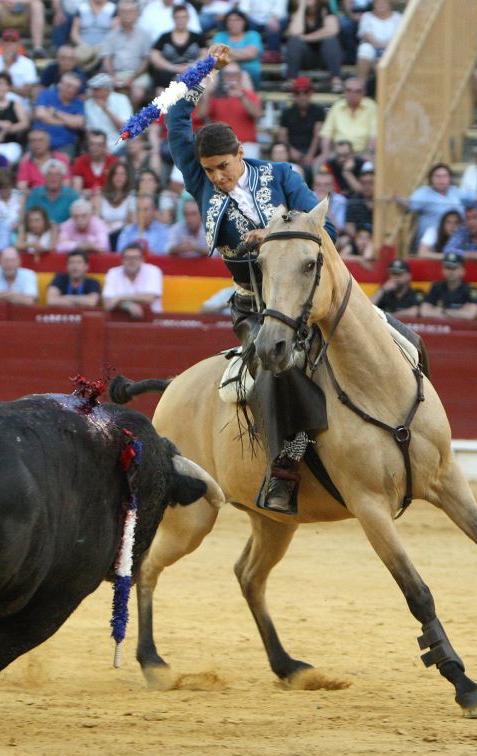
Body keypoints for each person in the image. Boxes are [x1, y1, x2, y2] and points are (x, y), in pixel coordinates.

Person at [166, 43, 337, 514]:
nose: (217, 177)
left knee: (390, 340)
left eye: (223, 166)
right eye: (209, 171)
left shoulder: (280, 175)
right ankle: (286, 465)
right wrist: (204, 68)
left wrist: (276, 234)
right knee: (276, 370)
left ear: (241, 153)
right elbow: (175, 119)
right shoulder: (201, 185)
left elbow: (327, 230)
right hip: (254, 307)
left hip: (304, 299)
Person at [394, 163, 475, 244]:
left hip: (456, 240)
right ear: (431, 178)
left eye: (445, 176)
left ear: (450, 178)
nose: (441, 179)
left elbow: (473, 197)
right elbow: (410, 204)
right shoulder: (424, 192)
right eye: (437, 176)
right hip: (432, 242)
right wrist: (398, 199)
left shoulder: (454, 190)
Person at [197, 63, 262, 159]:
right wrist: (207, 94)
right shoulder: (215, 95)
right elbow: (200, 116)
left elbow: (257, 114)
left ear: (240, 76)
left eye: (234, 74)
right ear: (223, 76)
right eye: (227, 74)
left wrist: (241, 96)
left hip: (246, 144)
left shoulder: (249, 94)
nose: (231, 77)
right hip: (220, 144)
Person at [286, 0, 343, 94]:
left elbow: (333, 30)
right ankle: (291, 80)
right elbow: (295, 32)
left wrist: (306, 38)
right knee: (294, 41)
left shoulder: (325, 8)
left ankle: (336, 80)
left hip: (325, 56)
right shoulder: (296, 11)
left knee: (330, 40)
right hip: (304, 57)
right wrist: (301, 7)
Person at [317, 77, 376, 161]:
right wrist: (325, 152)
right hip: (338, 153)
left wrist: (370, 153)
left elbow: (374, 135)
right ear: (344, 92)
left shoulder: (371, 107)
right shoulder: (337, 106)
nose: (353, 94)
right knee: (318, 165)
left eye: (357, 91)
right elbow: (326, 134)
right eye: (349, 90)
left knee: (371, 166)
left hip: (362, 153)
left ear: (363, 93)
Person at [101, 0, 152, 92]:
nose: (127, 14)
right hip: (115, 73)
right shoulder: (111, 35)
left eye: (130, 11)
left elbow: (146, 61)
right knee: (104, 89)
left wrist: (133, 77)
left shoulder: (145, 35)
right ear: (119, 14)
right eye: (124, 12)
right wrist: (113, 76)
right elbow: (107, 59)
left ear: (136, 13)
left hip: (137, 74)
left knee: (138, 92)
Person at [102, 241, 164, 316]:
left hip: (152, 320)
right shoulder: (113, 273)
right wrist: (127, 305)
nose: (132, 261)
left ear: (142, 260)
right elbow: (107, 303)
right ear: (121, 260)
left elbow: (149, 298)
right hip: (120, 320)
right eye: (128, 258)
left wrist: (119, 298)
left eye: (135, 258)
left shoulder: (153, 271)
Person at [33, 72, 86, 157]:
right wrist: (68, 122)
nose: (70, 89)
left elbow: (78, 123)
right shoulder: (46, 94)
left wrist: (55, 112)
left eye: (75, 88)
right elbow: (40, 114)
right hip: (38, 141)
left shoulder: (79, 104)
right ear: (60, 84)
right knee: (25, 163)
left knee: (63, 165)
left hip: (64, 145)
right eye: (68, 85)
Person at [277, 77, 325, 171]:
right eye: (297, 93)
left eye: (306, 92)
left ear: (311, 93)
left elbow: (317, 135)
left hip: (313, 152)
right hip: (291, 151)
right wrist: (292, 152)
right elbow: (282, 137)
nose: (302, 96)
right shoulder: (287, 113)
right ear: (293, 95)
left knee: (313, 167)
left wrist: (310, 155)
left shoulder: (318, 111)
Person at [419, 253, 477, 320]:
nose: (450, 272)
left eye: (454, 268)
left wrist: (442, 311)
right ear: (442, 270)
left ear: (462, 271)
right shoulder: (436, 286)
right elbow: (424, 312)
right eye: (447, 267)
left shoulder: (471, 289)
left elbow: (471, 315)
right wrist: (460, 312)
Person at [355, 0, 401, 84]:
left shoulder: (398, 17)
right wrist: (379, 46)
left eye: (384, 3)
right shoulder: (366, 16)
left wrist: (385, 48)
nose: (381, 5)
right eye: (378, 3)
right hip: (372, 46)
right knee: (365, 49)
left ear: (390, 5)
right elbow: (365, 34)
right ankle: (361, 83)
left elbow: (399, 35)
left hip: (392, 48)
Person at [83, 75, 131, 152]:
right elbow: (89, 130)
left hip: (119, 146)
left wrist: (106, 109)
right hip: (97, 148)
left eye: (96, 89)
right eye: (93, 89)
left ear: (107, 89)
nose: (93, 92)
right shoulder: (88, 104)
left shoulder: (122, 99)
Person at [25, 159, 79, 224]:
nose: (53, 177)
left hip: (65, 232)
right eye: (50, 174)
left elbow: (77, 219)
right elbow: (28, 217)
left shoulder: (72, 195)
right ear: (44, 177)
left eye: (57, 175)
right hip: (40, 232)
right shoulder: (35, 193)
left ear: (62, 178)